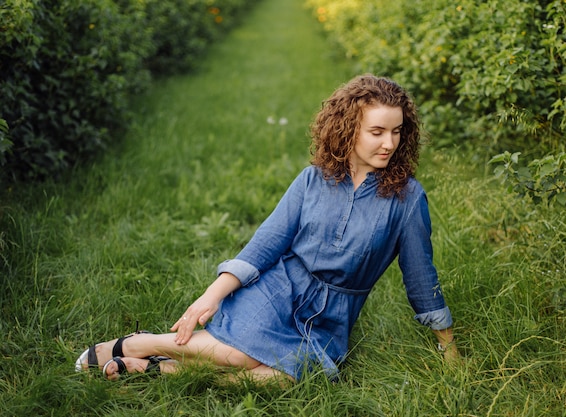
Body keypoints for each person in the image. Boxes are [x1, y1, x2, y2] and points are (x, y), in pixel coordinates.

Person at [76, 74, 459, 383]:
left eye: (397, 132)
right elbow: (268, 243)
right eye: (377, 132)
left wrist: (448, 348)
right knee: (241, 355)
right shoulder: (313, 180)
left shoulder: (408, 197)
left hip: (332, 315)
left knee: (295, 376)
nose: (389, 143)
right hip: (280, 288)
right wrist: (210, 297)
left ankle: (163, 369)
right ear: (348, 129)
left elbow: (420, 275)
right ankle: (142, 343)